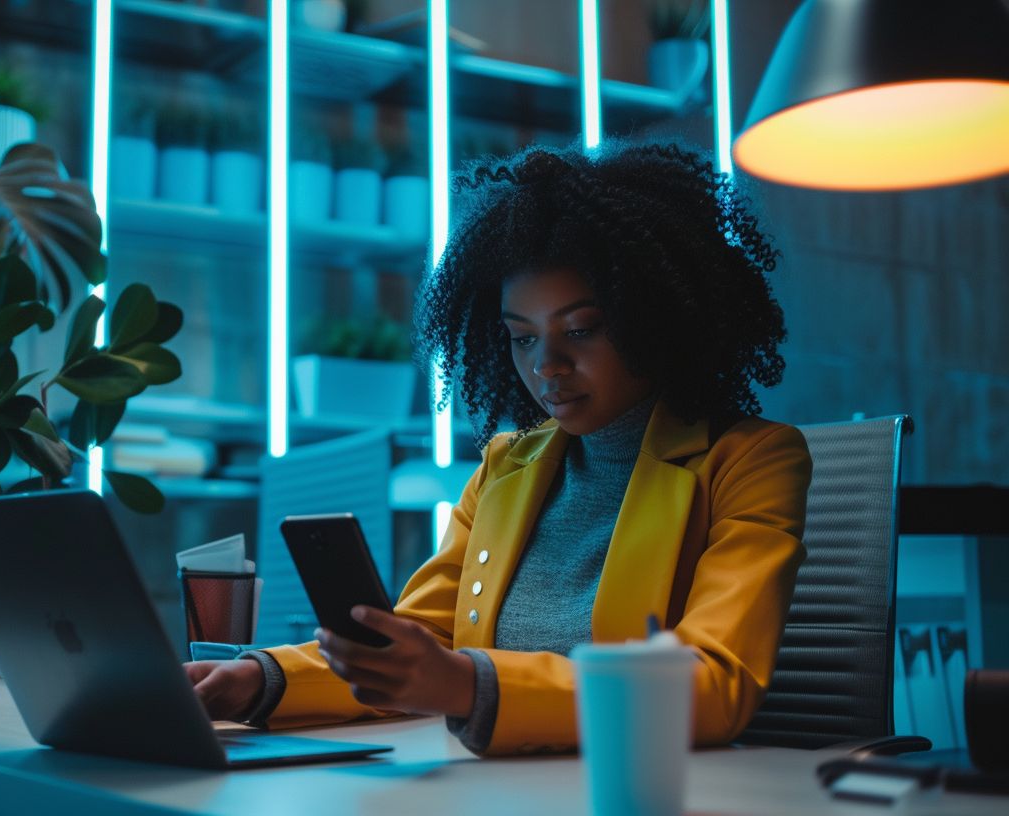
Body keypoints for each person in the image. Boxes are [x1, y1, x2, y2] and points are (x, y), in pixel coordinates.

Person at [183, 141, 811, 756]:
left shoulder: (749, 461)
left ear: (659, 317)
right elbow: (419, 638)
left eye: (581, 330)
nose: (548, 367)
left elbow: (715, 681)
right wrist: (257, 679)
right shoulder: (506, 465)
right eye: (520, 338)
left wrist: (463, 684)